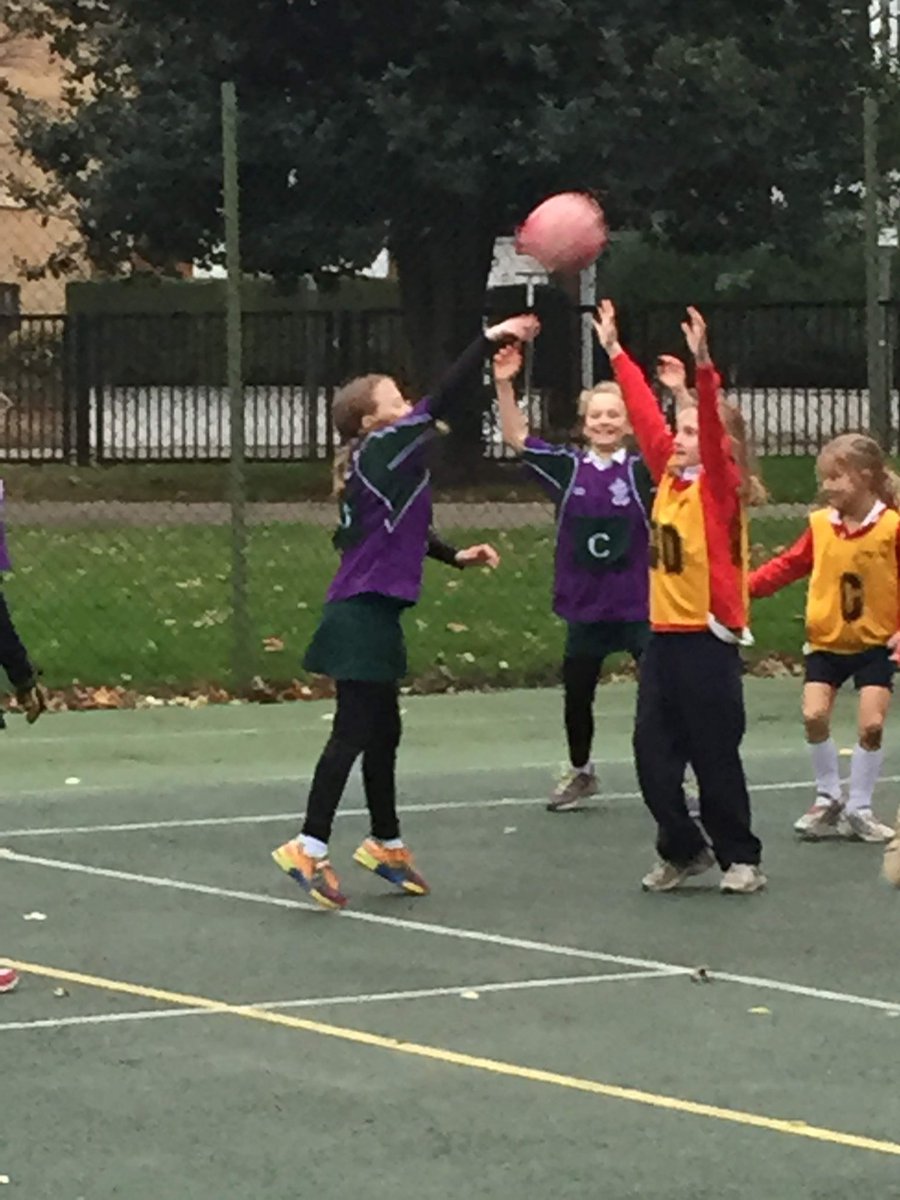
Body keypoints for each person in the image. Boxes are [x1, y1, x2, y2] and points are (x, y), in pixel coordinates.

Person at [272, 314, 540, 909]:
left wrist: (452, 555)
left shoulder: (387, 461)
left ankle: (386, 843)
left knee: (383, 731)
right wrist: (491, 336)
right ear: (372, 420)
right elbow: (445, 393)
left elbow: (396, 532)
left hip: (370, 611)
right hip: (359, 614)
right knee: (353, 733)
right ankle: (308, 846)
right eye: (397, 398)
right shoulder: (386, 446)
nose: (411, 403)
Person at [594, 300, 766, 894]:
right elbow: (645, 418)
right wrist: (617, 352)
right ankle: (684, 848)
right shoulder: (668, 474)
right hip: (663, 637)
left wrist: (702, 367)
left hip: (708, 638)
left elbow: (712, 435)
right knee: (652, 760)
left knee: (715, 757)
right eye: (682, 427)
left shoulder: (720, 490)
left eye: (692, 430)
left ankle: (740, 856)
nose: (680, 436)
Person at [492, 345, 653, 811]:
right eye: (597, 415)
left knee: (660, 695)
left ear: (627, 423)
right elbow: (518, 437)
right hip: (585, 603)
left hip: (638, 603)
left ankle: (675, 771)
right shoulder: (568, 468)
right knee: (578, 694)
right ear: (585, 423)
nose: (604, 422)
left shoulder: (642, 471)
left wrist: (681, 393)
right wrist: (505, 382)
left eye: (614, 415)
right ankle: (581, 771)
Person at [751, 433, 899, 843]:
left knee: (870, 725)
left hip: (873, 645)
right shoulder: (820, 526)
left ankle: (861, 806)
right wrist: (745, 587)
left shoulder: (891, 528)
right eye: (825, 479)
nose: (828, 486)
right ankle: (828, 796)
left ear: (865, 477)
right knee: (814, 716)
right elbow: (789, 565)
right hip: (826, 642)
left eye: (837, 478)